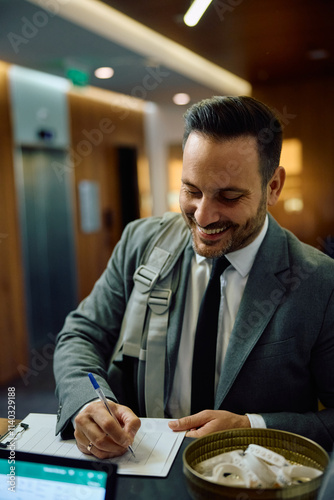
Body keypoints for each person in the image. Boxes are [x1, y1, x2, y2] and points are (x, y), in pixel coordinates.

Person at [54, 96, 334, 460]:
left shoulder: (319, 282)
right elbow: (82, 335)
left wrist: (254, 427)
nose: (203, 216)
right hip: (141, 470)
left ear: (273, 186)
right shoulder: (140, 242)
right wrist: (87, 401)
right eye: (191, 190)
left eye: (229, 196)